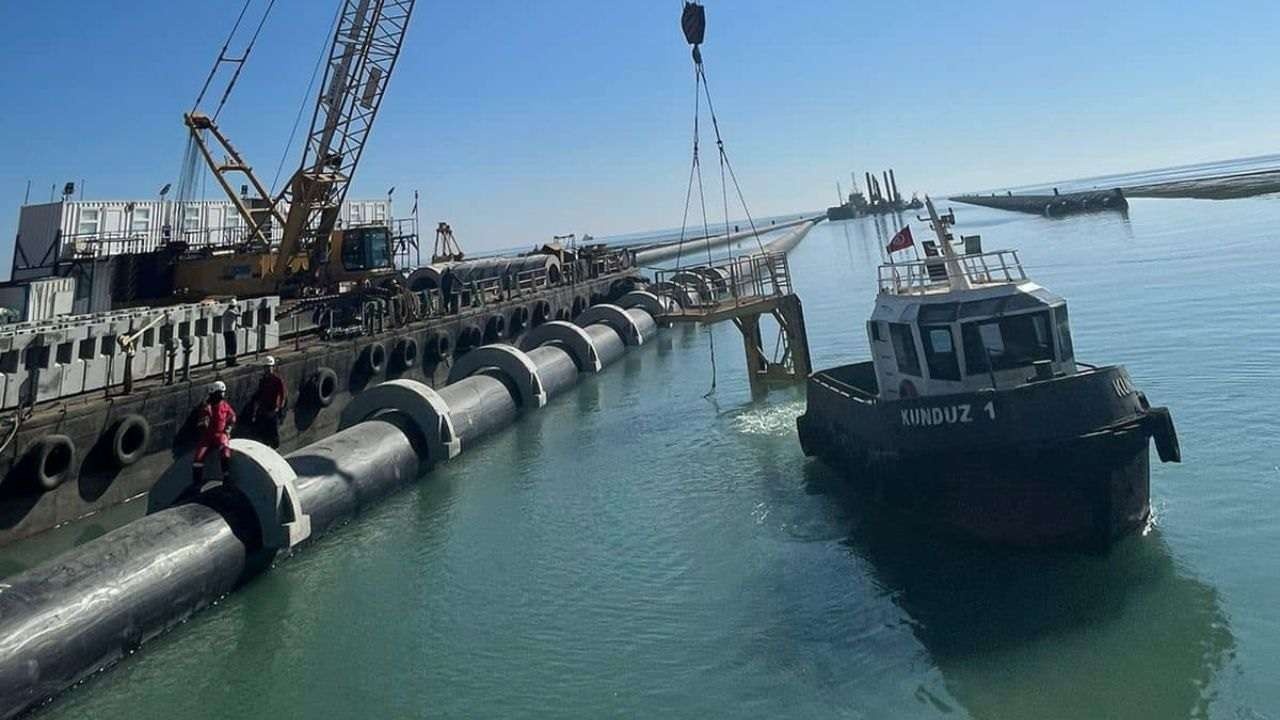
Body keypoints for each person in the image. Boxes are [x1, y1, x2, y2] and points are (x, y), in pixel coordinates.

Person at [193, 380, 236, 488]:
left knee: (225, 452)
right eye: (220, 393)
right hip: (207, 436)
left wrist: (227, 430)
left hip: (219, 435)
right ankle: (196, 482)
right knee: (198, 457)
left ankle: (226, 476)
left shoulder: (225, 406)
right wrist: (203, 424)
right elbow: (202, 422)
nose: (222, 395)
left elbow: (232, 418)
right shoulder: (207, 407)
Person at [251, 356, 287, 448]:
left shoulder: (277, 380)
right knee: (263, 430)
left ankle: (275, 447)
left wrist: (279, 408)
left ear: (273, 367)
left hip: (273, 409)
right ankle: (266, 445)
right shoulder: (263, 380)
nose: (268, 369)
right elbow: (260, 394)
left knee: (273, 430)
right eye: (266, 367)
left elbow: (283, 394)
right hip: (264, 408)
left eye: (269, 367)